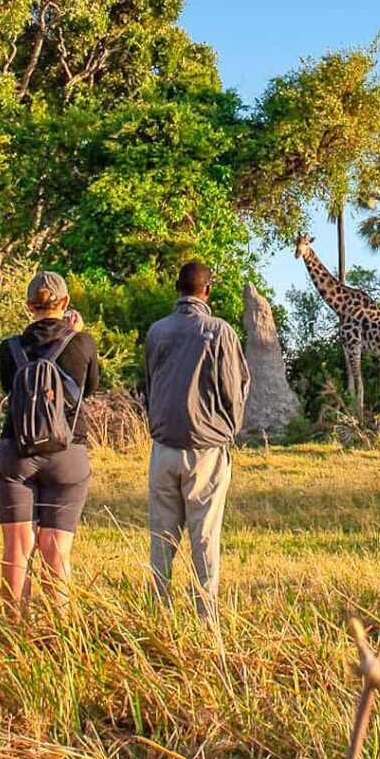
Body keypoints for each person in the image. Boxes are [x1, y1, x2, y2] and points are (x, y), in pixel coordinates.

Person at [145, 260, 249, 615]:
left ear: (178, 287)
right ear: (208, 291)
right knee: (204, 537)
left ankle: (157, 614)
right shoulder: (220, 332)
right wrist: (229, 431)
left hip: (162, 447)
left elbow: (150, 383)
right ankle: (206, 619)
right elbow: (235, 391)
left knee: (161, 537)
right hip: (206, 447)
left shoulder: (157, 331)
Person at [0, 271, 99, 613]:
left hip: (17, 450)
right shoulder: (82, 343)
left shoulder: (8, 348)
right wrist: (75, 335)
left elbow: (10, 389)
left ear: (28, 307)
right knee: (56, 549)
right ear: (64, 304)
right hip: (67, 451)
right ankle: (61, 632)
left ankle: (14, 633)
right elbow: (89, 390)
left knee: (17, 548)